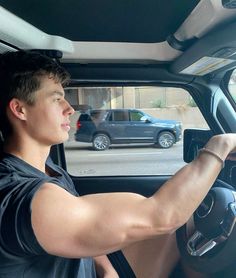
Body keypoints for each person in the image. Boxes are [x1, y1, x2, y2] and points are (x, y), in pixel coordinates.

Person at [0, 50, 235, 278]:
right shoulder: (24, 198)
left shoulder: (47, 167)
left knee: (186, 228)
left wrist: (105, 268)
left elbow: (79, 230)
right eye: (57, 99)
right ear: (20, 109)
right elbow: (162, 214)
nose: (69, 109)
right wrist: (219, 147)